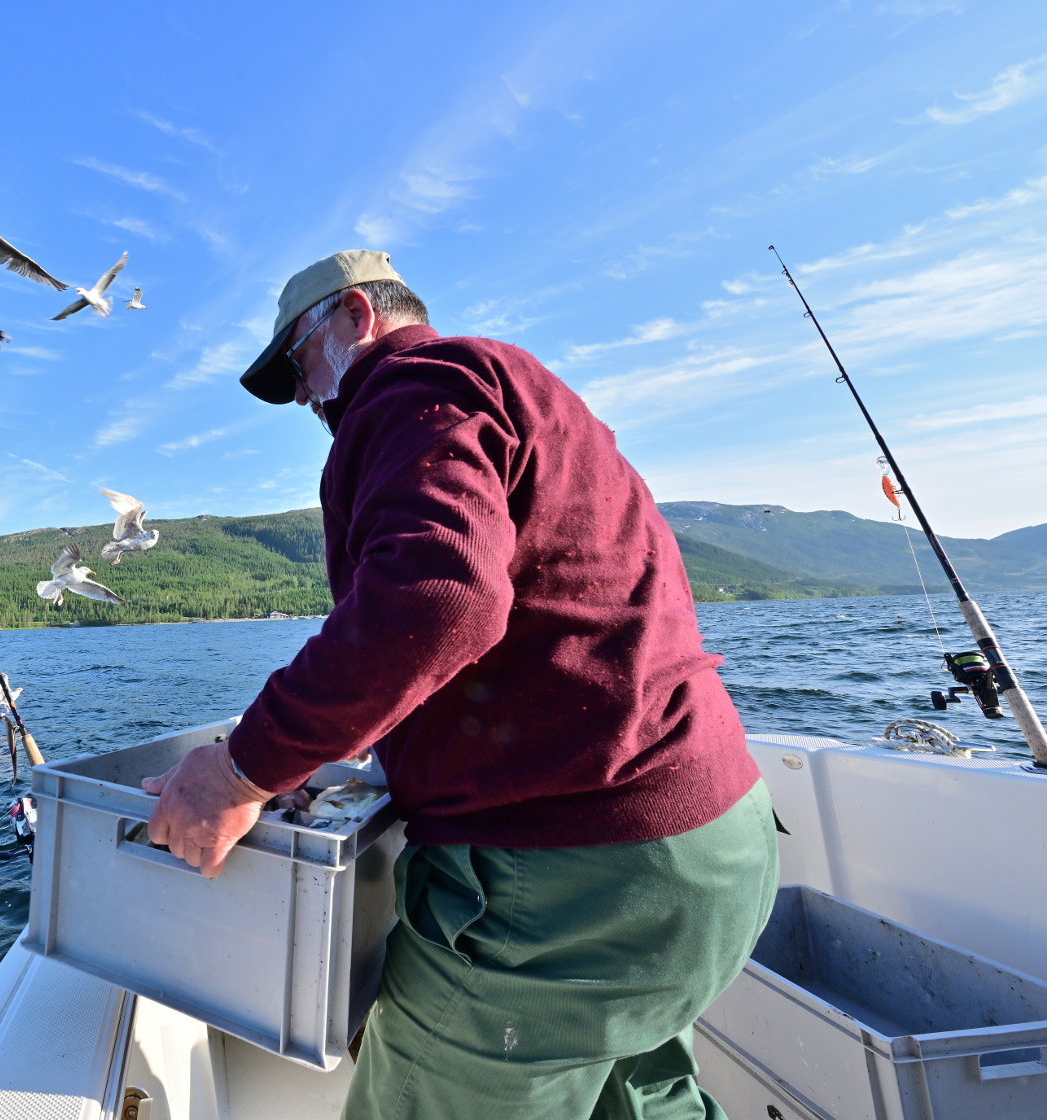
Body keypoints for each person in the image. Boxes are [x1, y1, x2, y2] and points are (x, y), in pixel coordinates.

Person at [140, 251, 778, 1119]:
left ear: (358, 317)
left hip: (568, 889)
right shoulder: (525, 388)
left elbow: (442, 598)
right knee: (647, 1101)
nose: (302, 398)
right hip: (706, 853)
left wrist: (241, 769)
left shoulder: (406, 387)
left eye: (296, 365)